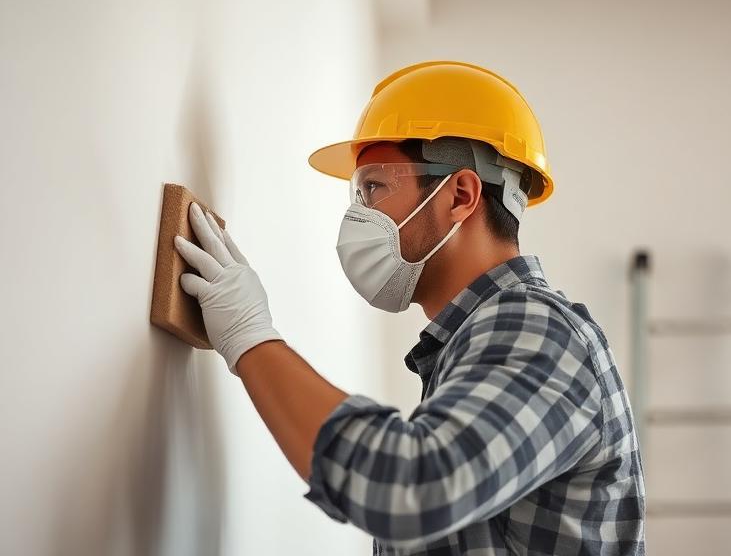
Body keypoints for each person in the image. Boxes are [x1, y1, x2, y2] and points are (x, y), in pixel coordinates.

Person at [173, 60, 646, 555]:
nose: (358, 215)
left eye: (374, 187)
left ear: (460, 194)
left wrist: (252, 337)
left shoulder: (540, 329)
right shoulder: (474, 343)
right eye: (356, 194)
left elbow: (411, 486)